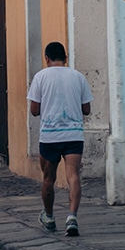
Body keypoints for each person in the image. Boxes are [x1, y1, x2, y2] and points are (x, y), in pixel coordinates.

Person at [27, 41, 93, 237]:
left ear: (46, 58)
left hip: (50, 136)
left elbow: (34, 110)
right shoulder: (78, 77)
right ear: (66, 58)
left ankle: (49, 217)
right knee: (73, 176)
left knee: (49, 178)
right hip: (73, 134)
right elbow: (87, 109)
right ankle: (72, 217)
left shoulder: (40, 77)